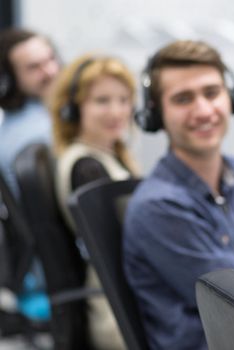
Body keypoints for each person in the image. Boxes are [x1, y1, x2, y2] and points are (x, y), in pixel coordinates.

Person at [123, 40, 234, 350]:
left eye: (211, 93)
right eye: (183, 99)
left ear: (231, 98)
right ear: (156, 114)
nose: (204, 111)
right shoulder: (159, 207)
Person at [49, 54, 139, 350]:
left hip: (123, 299)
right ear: (72, 109)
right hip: (117, 313)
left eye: (123, 100)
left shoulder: (104, 157)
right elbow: (120, 249)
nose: (116, 111)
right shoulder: (87, 168)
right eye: (102, 100)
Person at [0, 27, 60, 326]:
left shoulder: (13, 127)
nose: (50, 71)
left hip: (38, 275)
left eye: (51, 59)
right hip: (57, 275)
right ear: (8, 80)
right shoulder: (40, 135)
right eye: (34, 67)